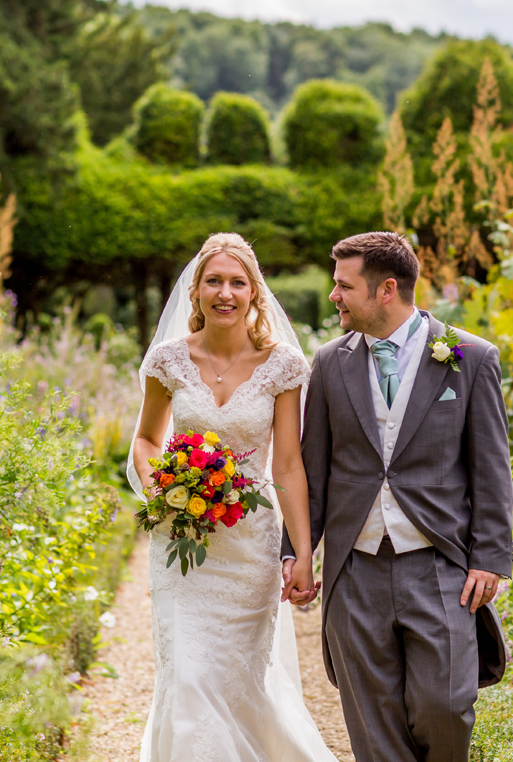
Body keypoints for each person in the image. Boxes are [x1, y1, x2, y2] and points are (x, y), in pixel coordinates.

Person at [284, 231, 513, 762]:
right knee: (372, 719)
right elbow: (312, 470)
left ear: (387, 289)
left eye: (344, 285)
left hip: (439, 567)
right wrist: (296, 552)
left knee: (446, 706)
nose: (333, 296)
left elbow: (491, 467)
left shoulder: (470, 357)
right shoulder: (330, 362)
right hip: (355, 568)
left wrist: (489, 559)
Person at [128, 233, 337, 762]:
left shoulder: (282, 365)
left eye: (237, 282)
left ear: (254, 293)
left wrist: (304, 554)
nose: (225, 292)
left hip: (250, 548)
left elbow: (288, 464)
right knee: (191, 676)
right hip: (183, 545)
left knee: (239, 683)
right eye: (214, 281)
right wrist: (164, 486)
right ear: (195, 292)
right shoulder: (168, 361)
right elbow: (148, 439)